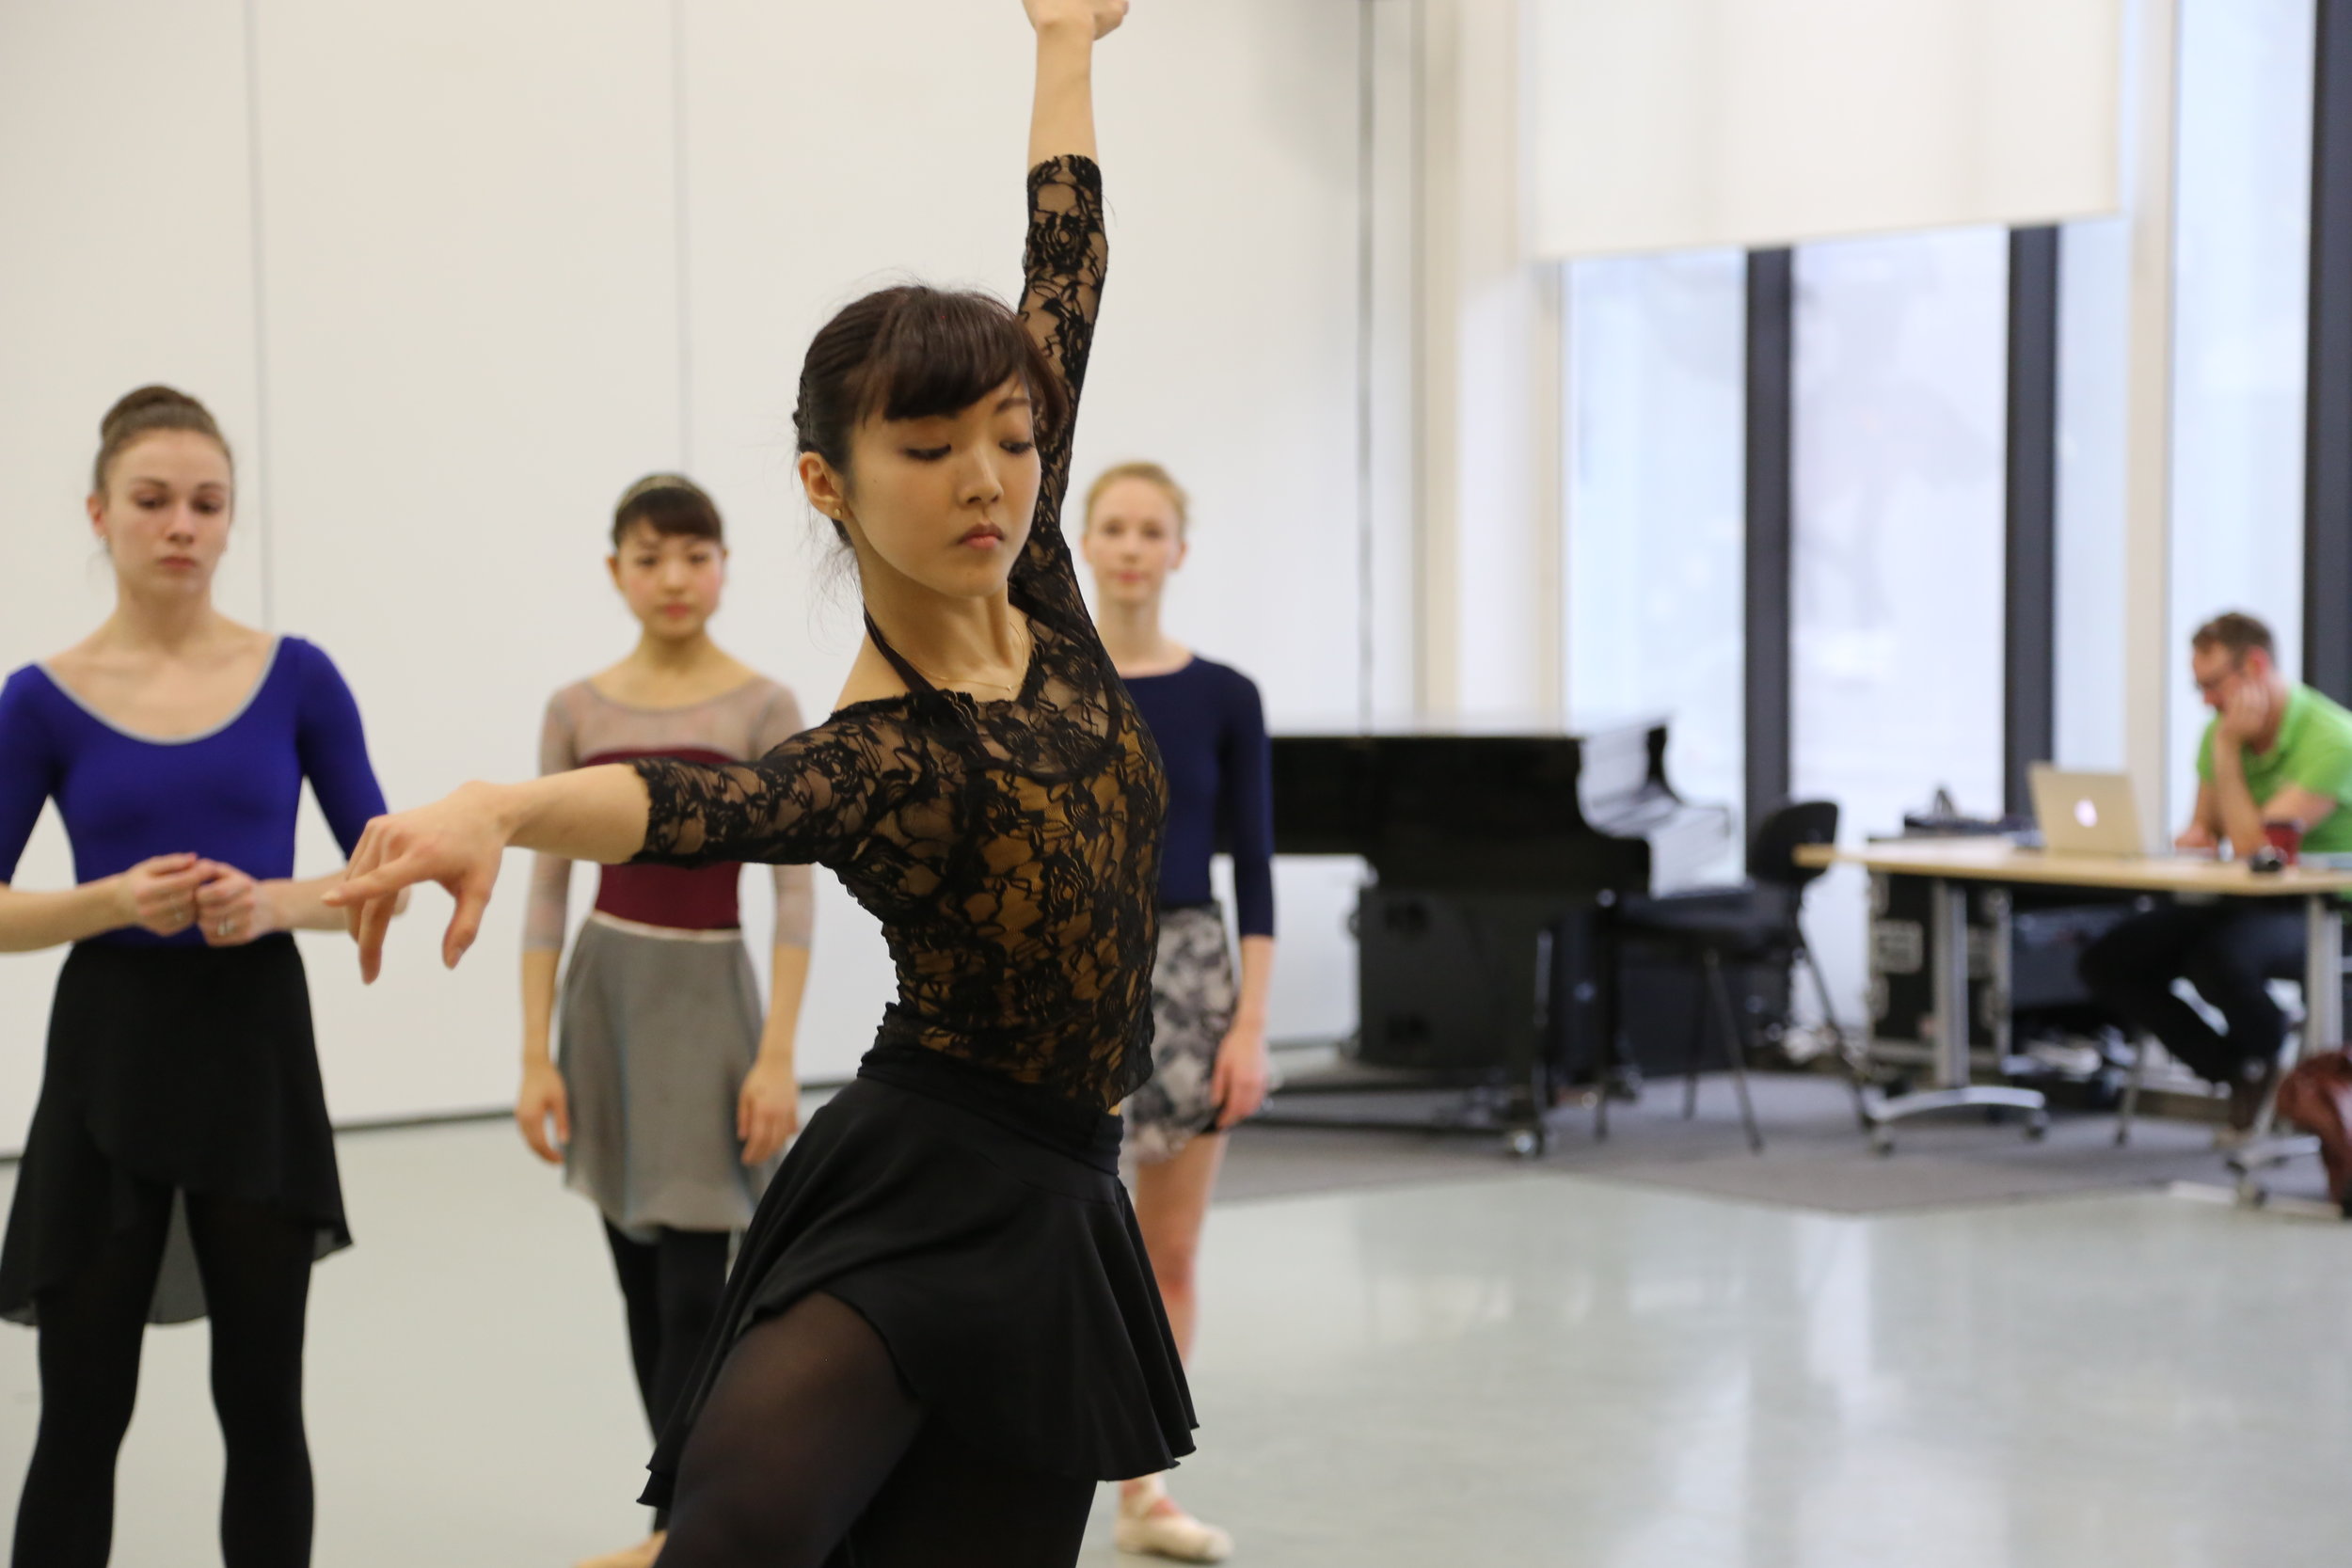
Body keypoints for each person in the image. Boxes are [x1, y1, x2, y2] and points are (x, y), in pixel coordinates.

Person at [326, 4, 1191, 1563]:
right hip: (921, 1176)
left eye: (1009, 435)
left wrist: (1065, 38)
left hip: (1065, 1194)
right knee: (737, 1528)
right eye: (929, 448)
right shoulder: (877, 752)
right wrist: (502, 807)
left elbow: (1065, 263)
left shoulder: (1043, 575)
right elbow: (689, 807)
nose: (986, 476)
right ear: (828, 481)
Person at [0, 386, 392, 1567]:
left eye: (207, 502)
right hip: (107, 1053)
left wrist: (272, 901)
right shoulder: (40, 697)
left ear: (230, 523)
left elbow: (382, 870)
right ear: (99, 514)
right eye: (153, 499)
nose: (181, 523)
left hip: (253, 1048)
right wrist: (112, 900)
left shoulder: (300, 678)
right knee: (81, 1411)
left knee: (263, 1403)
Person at [517, 474, 814, 1568]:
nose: (675, 578)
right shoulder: (577, 709)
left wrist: (778, 1051)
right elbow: (545, 888)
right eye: (651, 557)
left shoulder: (762, 707)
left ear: (725, 566)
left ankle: (687, 1524)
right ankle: (677, 1517)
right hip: (607, 999)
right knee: (638, 1273)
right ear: (616, 572)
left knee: (700, 1280)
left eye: (695, 555)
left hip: (709, 1002)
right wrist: (534, 1055)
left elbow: (791, 891)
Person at [1079, 461, 1273, 1562]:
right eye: (1114, 526)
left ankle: (1145, 1485)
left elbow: (1257, 865)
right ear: (1088, 543)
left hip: (1193, 972)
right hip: (1073, 969)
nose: (1133, 546)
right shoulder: (1046, 676)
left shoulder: (1225, 695)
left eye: (1153, 529)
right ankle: (1051, 1462)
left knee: (1172, 1246)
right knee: (1063, 1230)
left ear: (1177, 551)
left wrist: (1250, 1025)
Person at [2080, 611, 2352, 1130]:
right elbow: (2204, 829)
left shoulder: (2332, 740)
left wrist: (2227, 751)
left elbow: (2260, 852)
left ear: (2254, 665)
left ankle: (2270, 1059)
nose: (2207, 702)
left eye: (2212, 685)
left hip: (2327, 914)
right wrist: (2194, 838)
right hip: (2248, 904)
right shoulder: (2218, 733)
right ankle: (2240, 1068)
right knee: (2110, 960)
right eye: (2198, 687)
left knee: (2217, 959)